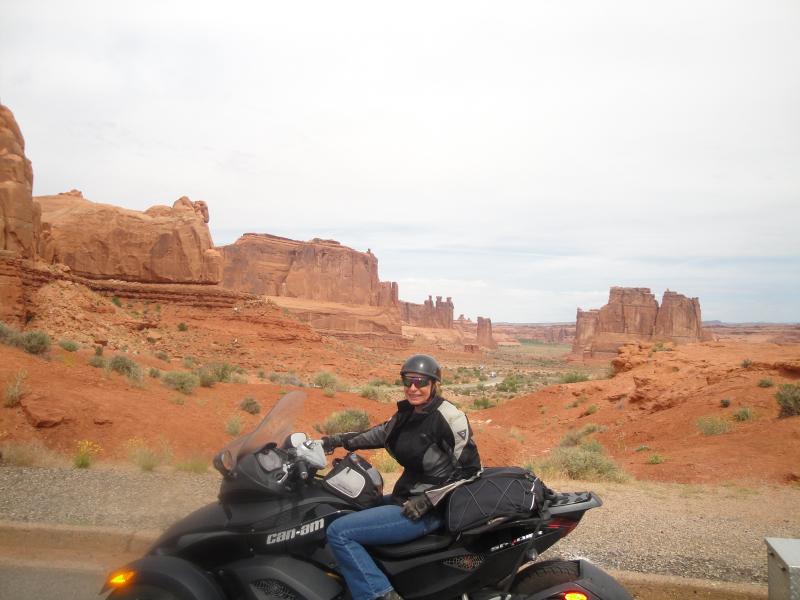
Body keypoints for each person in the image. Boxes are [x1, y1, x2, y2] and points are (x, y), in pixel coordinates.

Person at [322, 354, 481, 600]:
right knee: (342, 510)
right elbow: (381, 434)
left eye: (420, 382)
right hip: (405, 498)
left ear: (434, 384)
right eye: (408, 381)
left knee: (339, 532)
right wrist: (336, 441)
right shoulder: (408, 413)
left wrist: (428, 500)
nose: (413, 388)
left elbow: (472, 471)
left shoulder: (449, 417)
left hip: (430, 510)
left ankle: (379, 594)